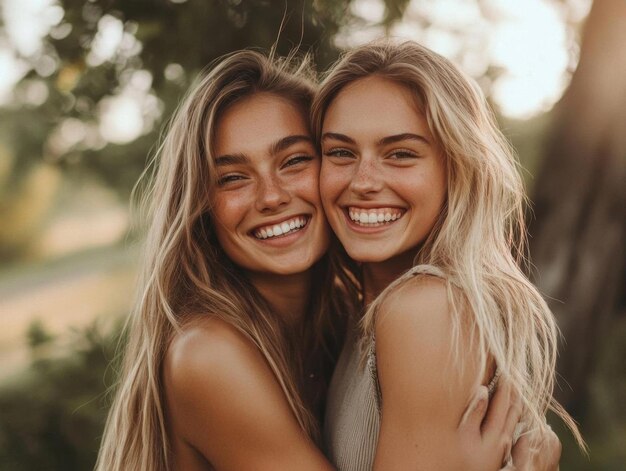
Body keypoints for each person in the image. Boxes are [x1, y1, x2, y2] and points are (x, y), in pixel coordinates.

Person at [95, 48, 556, 471]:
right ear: (198, 206)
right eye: (233, 178)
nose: (272, 196)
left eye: (294, 161)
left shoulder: (369, 316)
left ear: (457, 165)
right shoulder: (208, 353)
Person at [312, 39, 583, 470]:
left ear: (456, 167)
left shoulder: (424, 309)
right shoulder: (364, 313)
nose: (363, 181)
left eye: (400, 154)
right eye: (341, 152)